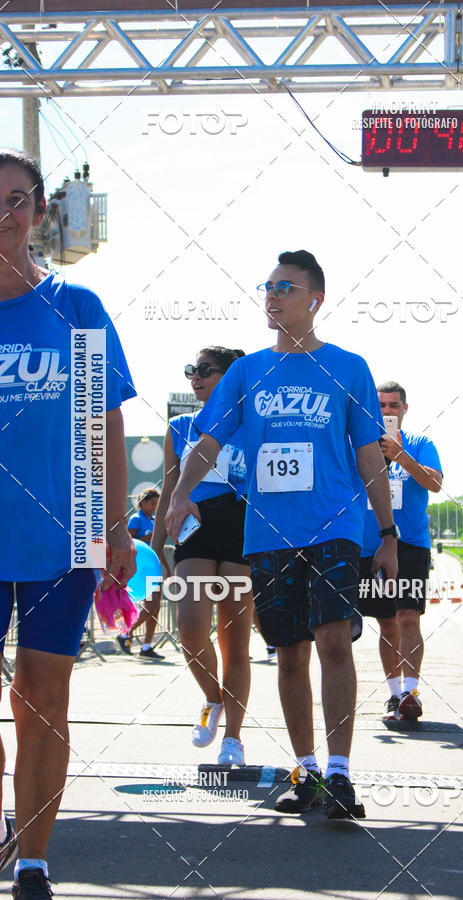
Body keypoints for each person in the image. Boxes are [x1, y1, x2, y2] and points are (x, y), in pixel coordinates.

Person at [165, 250, 398, 819]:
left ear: (315, 298)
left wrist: (386, 531)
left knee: (333, 641)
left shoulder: (348, 368)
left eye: (285, 287)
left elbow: (369, 454)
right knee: (289, 652)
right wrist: (180, 491)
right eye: (267, 286)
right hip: (267, 534)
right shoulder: (246, 373)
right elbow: (209, 440)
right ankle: (309, 770)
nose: (272, 295)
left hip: (335, 526)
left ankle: (341, 774)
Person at [0, 149, 136, 898]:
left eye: (17, 201)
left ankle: (34, 863)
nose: (4, 217)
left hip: (66, 534)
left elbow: (102, 422)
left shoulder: (75, 308)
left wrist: (115, 527)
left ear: (41, 213)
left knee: (42, 694)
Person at [152, 347, 252, 766]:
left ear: (229, 377)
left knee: (235, 641)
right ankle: (214, 700)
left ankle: (233, 739)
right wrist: (154, 545)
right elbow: (168, 488)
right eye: (191, 370)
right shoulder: (179, 426)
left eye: (205, 371)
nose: (195, 378)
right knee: (191, 628)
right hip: (194, 526)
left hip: (241, 525)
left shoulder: (252, 422)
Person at [356, 382, 443, 722]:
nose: (387, 411)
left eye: (394, 405)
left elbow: (435, 483)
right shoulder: (360, 447)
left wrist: (399, 455)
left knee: (409, 616)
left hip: (411, 544)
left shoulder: (420, 444)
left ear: (405, 409)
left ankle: (411, 692)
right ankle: (394, 695)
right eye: (381, 406)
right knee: (387, 622)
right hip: (370, 544)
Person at [117, 489, 171, 660]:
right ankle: (126, 632)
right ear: (142, 503)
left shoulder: (154, 520)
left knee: (155, 609)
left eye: (157, 503)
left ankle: (146, 646)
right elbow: (130, 541)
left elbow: (156, 549)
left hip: (153, 568)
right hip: (141, 570)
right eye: (152, 503)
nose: (155, 507)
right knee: (152, 607)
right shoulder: (136, 519)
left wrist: (166, 567)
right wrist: (150, 537)